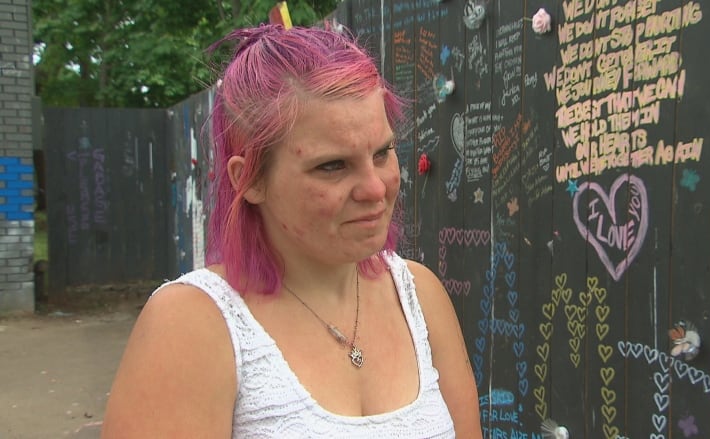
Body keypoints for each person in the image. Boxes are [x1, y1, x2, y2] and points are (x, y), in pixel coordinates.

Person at [101, 24, 480, 438]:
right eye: (332, 165)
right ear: (251, 181)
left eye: (382, 152)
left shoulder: (419, 296)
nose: (375, 188)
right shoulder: (193, 326)